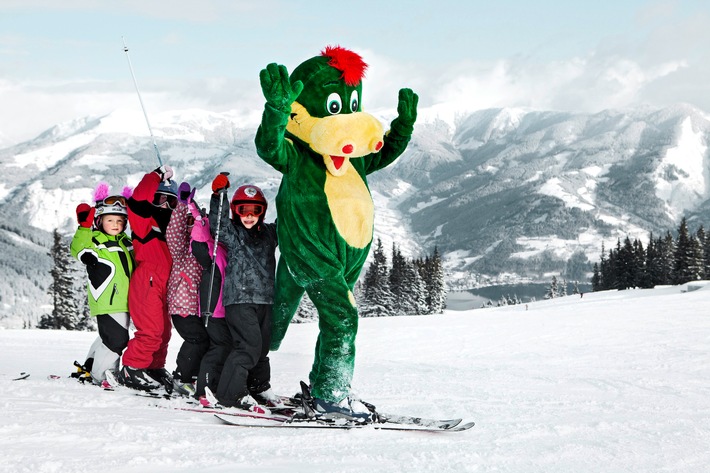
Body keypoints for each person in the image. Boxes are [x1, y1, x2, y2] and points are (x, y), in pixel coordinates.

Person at [207, 174, 281, 411]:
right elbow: (216, 224)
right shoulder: (233, 233)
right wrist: (219, 196)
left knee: (262, 347)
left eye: (255, 210)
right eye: (243, 210)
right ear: (235, 211)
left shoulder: (270, 234)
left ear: (262, 211)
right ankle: (231, 395)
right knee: (247, 347)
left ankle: (258, 386)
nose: (249, 215)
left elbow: (290, 222)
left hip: (266, 299)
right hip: (239, 300)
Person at [117, 165, 177, 391]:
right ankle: (132, 367)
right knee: (150, 330)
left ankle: (153, 367)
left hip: (164, 285)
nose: (165, 206)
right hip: (147, 282)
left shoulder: (173, 230)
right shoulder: (144, 222)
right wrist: (156, 175)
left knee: (164, 332)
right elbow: (138, 198)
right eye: (160, 199)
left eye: (171, 202)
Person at [70, 182, 135, 387]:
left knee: (108, 336)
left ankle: (90, 365)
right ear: (99, 221)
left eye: (120, 220)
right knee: (117, 339)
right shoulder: (95, 241)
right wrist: (83, 227)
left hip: (125, 300)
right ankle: (104, 374)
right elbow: (78, 249)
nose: (115, 224)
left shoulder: (125, 242)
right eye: (110, 220)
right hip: (107, 300)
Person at [165, 182, 209, 396]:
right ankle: (182, 378)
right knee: (196, 339)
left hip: (199, 309)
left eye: (197, 223)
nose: (193, 227)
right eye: (189, 223)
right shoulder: (182, 250)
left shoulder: (207, 252)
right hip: (182, 306)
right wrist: (183, 207)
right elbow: (173, 233)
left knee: (204, 341)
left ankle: (191, 376)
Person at [185, 194, 229, 403]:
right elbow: (199, 237)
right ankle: (204, 388)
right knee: (219, 346)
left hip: (225, 306)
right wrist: (196, 214)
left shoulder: (221, 245)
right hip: (213, 307)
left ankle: (215, 385)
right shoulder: (206, 246)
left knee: (224, 346)